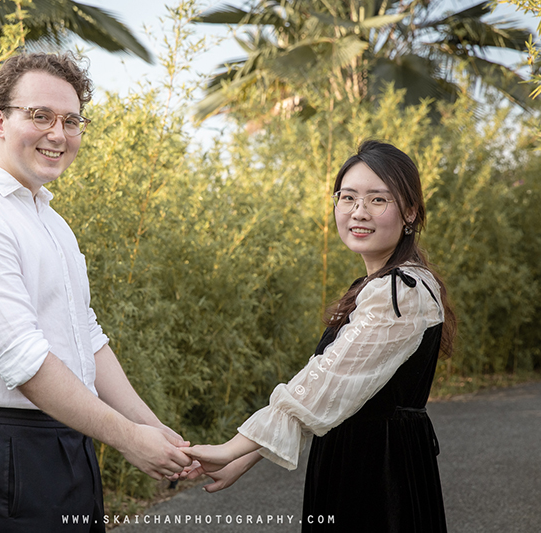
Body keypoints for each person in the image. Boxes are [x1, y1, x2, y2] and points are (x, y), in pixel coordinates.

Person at [0, 53, 192, 532]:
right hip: (3, 453)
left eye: (70, 121)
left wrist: (151, 429)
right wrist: (127, 439)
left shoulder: (50, 221)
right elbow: (24, 362)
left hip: (67, 438)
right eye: (40, 115)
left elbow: (85, 336)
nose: (58, 134)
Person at [182, 140, 456, 532]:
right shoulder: (377, 284)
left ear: (410, 211)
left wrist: (229, 449)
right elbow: (325, 384)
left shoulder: (401, 292)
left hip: (378, 474)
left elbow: (328, 383)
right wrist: (245, 458)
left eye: (378, 200)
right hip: (360, 459)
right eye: (348, 197)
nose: (359, 212)